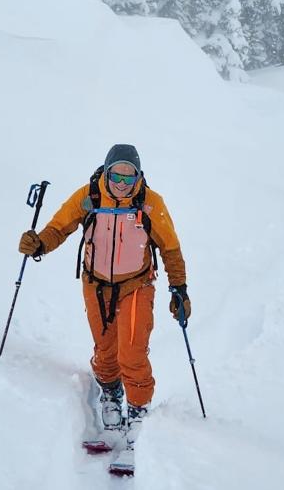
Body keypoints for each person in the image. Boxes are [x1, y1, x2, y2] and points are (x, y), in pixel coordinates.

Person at [17, 144, 191, 464]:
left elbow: (170, 249)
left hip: (137, 285)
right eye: (117, 175)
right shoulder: (89, 196)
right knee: (105, 349)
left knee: (133, 351)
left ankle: (137, 412)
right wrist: (39, 243)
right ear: (107, 171)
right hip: (96, 285)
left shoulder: (150, 203)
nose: (123, 184)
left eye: (130, 177)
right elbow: (60, 227)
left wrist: (178, 288)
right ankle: (111, 394)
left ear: (139, 176)